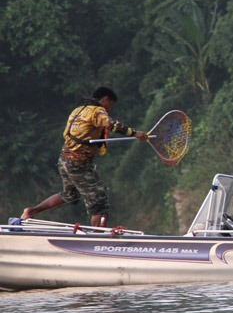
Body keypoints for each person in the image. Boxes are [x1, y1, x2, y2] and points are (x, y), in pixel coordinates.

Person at [21, 87, 147, 227]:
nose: (109, 108)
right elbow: (112, 125)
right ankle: (95, 238)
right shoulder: (97, 111)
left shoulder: (79, 109)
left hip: (64, 159)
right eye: (110, 104)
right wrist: (134, 133)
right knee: (99, 201)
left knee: (70, 195)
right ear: (105, 99)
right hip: (78, 162)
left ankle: (31, 211)